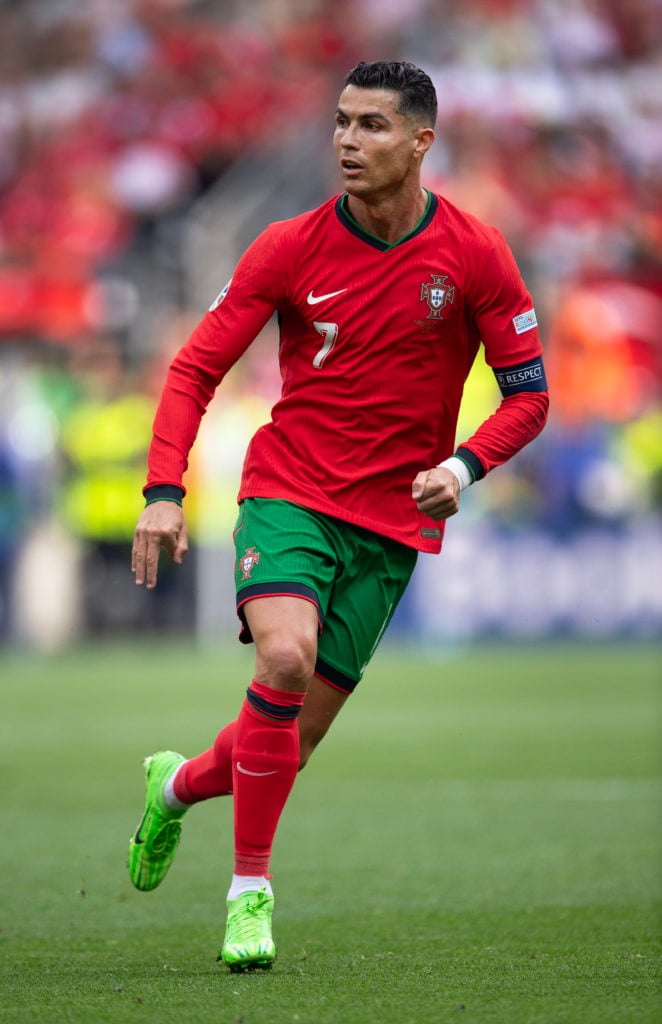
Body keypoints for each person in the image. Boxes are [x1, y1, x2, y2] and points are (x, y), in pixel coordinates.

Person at [128, 59, 549, 973]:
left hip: (392, 521)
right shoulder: (287, 245)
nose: (348, 142)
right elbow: (194, 368)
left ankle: (176, 787)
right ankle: (250, 896)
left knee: (288, 737)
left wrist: (466, 464)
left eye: (372, 127)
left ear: (421, 142)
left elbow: (529, 395)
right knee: (284, 656)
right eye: (342, 123)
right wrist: (165, 491)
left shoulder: (475, 253)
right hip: (290, 491)